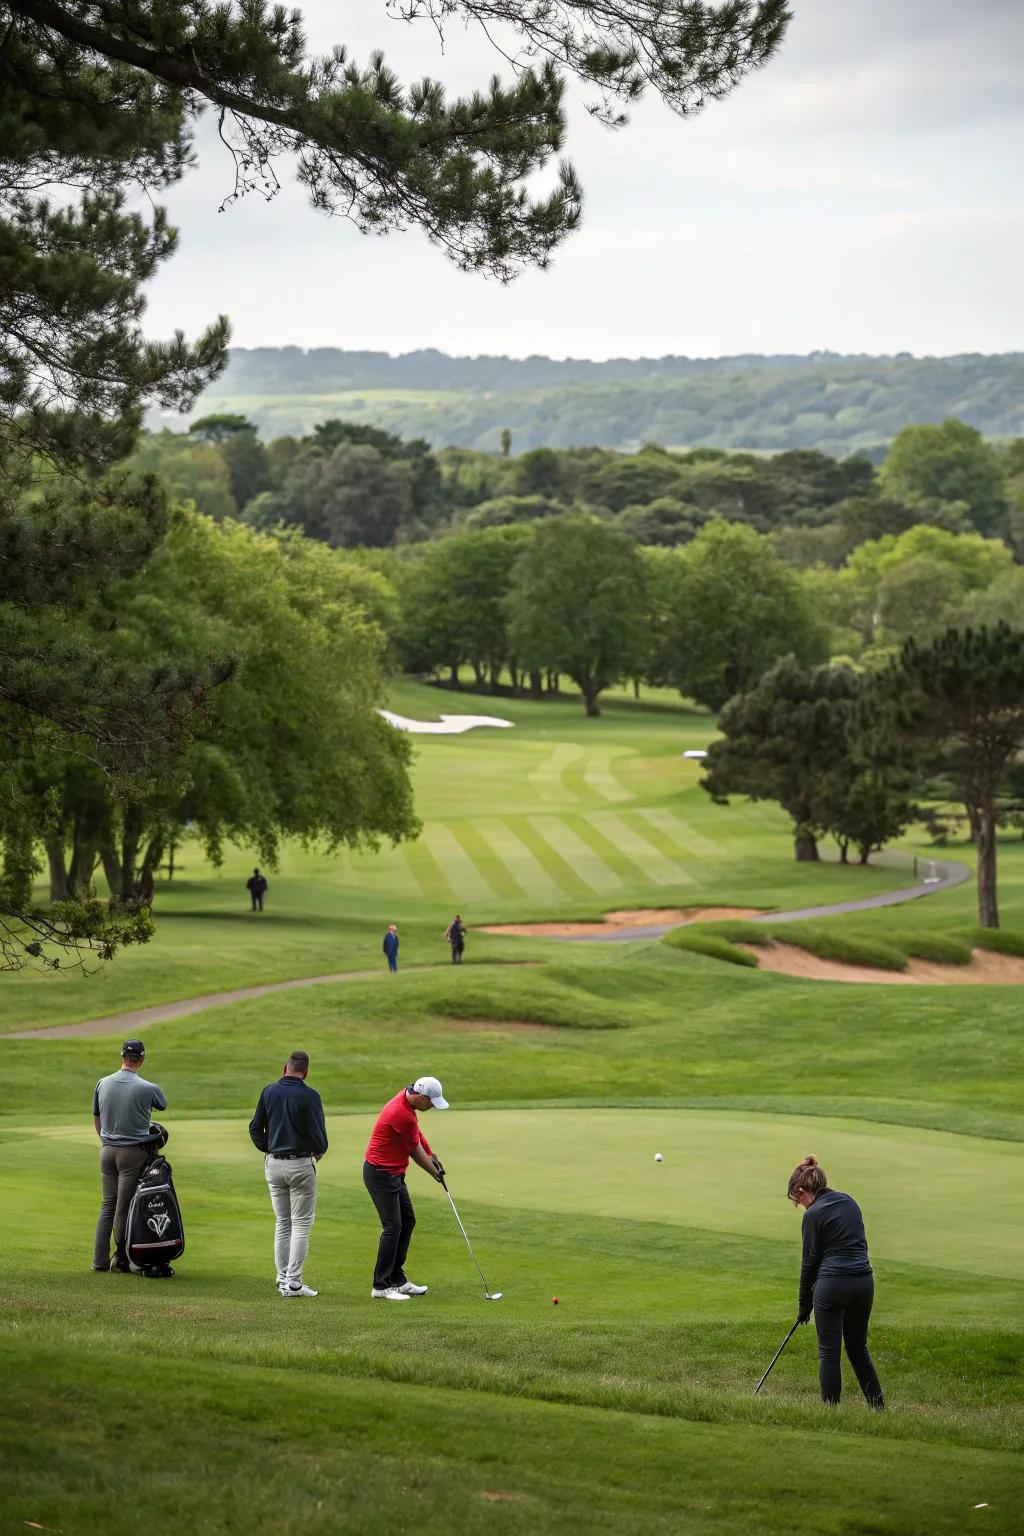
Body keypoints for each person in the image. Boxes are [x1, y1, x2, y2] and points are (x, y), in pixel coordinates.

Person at [788, 1155, 884, 1409]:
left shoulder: (813, 1215)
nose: (801, 1206)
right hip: (864, 1283)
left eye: (798, 1201)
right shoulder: (849, 1201)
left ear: (801, 1191)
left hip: (832, 1285)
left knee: (829, 1352)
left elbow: (809, 1264)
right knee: (857, 1347)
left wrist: (803, 1305)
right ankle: (878, 1407)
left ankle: (831, 1412)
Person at [249, 1050, 328, 1298]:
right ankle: (293, 1283)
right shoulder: (310, 1096)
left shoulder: (269, 1091)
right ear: (306, 1072)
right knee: (301, 1224)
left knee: (283, 1223)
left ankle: (282, 1278)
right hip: (300, 1165)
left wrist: (269, 1147)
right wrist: (319, 1149)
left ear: (286, 1068)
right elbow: (319, 1135)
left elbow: (255, 1128)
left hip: (273, 1164)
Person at [363, 1076, 448, 1301]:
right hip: (380, 1174)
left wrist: (431, 1154)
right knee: (393, 1226)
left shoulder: (407, 1100)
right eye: (430, 1102)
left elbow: (417, 1135)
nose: (431, 1106)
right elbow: (414, 1151)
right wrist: (433, 1172)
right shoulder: (400, 1112)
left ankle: (397, 1279)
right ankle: (380, 1286)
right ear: (420, 1096)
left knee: (408, 1221)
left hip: (393, 1174)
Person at [92, 1040, 168, 1273]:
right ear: (142, 1060)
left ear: (122, 1057)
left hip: (107, 1151)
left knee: (108, 1206)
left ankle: (99, 1261)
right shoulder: (148, 1087)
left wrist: (106, 1140)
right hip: (132, 1154)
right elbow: (162, 1105)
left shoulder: (102, 1083)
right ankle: (123, 1260)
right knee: (124, 1207)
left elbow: (97, 1118)